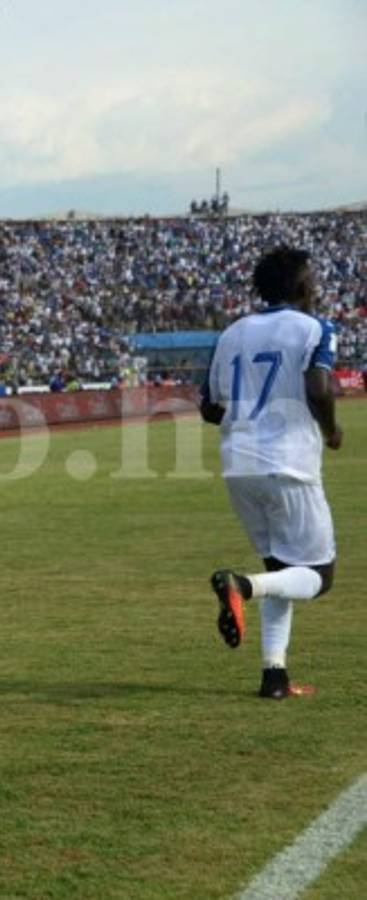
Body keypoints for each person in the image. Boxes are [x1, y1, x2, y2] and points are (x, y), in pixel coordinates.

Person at [200, 246, 341, 700]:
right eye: (312, 279)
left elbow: (208, 405)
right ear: (301, 286)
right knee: (318, 576)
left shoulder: (233, 332)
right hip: (288, 464)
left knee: (281, 568)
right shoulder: (314, 328)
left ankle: (274, 675)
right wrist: (332, 429)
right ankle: (240, 585)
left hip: (239, 466)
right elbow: (318, 388)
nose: (315, 287)